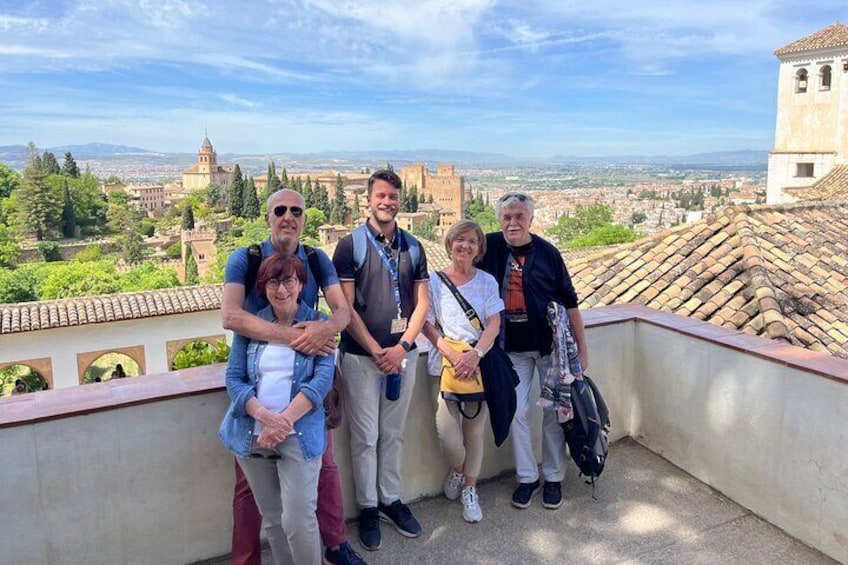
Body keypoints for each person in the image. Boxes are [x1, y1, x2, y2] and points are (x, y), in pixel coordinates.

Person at [222, 189, 363, 565]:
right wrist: (295, 337)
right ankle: (247, 559)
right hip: (258, 380)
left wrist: (324, 328)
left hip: (306, 382)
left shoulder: (315, 258)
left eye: (296, 210)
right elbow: (231, 317)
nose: (288, 216)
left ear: (304, 218)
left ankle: (335, 545)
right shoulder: (245, 258)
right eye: (280, 210)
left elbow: (342, 313)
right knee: (252, 492)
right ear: (268, 216)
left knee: (323, 469)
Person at [332, 169, 429, 551]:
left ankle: (390, 499)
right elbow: (345, 306)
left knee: (393, 434)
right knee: (365, 439)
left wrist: (402, 347)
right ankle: (368, 508)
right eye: (381, 196)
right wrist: (376, 349)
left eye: (393, 197)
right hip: (360, 358)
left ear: (398, 201)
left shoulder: (413, 246)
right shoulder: (349, 246)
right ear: (368, 200)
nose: (386, 202)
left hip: (402, 357)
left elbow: (423, 302)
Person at [219, 253, 333, 565]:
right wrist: (264, 416)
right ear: (263, 286)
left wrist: (282, 422)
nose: (281, 289)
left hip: (298, 434)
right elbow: (234, 378)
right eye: (273, 282)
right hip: (252, 436)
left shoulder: (320, 325)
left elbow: (321, 382)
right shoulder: (252, 324)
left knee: (298, 521)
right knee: (273, 521)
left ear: (300, 285)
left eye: (288, 281)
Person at [479, 192, 589, 511]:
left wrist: (582, 349)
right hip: (509, 349)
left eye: (519, 216)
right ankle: (527, 478)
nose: (512, 222)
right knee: (516, 412)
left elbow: (570, 302)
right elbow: (462, 275)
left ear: (530, 219)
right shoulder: (490, 248)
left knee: (554, 412)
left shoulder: (548, 253)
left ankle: (553, 477)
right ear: (499, 220)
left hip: (548, 348)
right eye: (506, 217)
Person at [421, 220, 504, 523]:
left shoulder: (487, 281)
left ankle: (470, 488)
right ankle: (458, 469)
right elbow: (427, 324)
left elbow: (494, 322)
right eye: (459, 240)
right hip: (444, 364)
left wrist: (475, 354)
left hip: (478, 365)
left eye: (471, 241)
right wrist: (453, 355)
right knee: (448, 434)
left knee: (475, 431)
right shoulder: (433, 281)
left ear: (479, 248)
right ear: (449, 244)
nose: (464, 246)